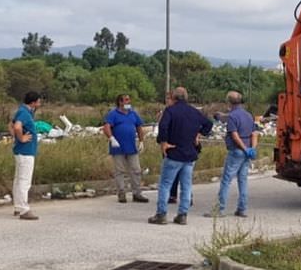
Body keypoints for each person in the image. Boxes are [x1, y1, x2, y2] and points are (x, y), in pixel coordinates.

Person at [149, 87, 212, 226]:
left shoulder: (170, 111)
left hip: (174, 152)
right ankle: (182, 215)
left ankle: (161, 214)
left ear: (174, 97)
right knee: (186, 186)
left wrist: (164, 142)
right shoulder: (194, 112)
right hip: (190, 154)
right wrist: (199, 134)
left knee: (165, 184)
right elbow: (209, 124)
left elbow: (163, 126)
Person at [205, 91, 258, 218]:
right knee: (243, 180)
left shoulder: (233, 117)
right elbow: (254, 133)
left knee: (226, 180)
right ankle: (242, 208)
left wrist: (244, 148)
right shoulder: (248, 115)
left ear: (228, 102)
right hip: (247, 152)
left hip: (236, 151)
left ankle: (219, 209)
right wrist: (252, 149)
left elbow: (234, 135)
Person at [103, 94, 149, 203]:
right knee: (119, 171)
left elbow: (139, 127)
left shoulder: (133, 113)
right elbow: (106, 127)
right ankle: (121, 193)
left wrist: (141, 141)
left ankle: (137, 193)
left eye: (129, 100)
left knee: (136, 170)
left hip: (132, 147)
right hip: (118, 147)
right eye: (126, 100)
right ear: (120, 102)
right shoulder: (113, 114)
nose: (129, 102)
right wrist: (111, 138)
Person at [11, 91, 42, 220]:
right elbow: (17, 127)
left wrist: (16, 137)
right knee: (24, 181)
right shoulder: (24, 112)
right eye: (39, 101)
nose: (40, 103)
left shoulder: (24, 111)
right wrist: (21, 138)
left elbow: (12, 124)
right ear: (33, 102)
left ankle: (18, 206)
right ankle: (24, 209)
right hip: (26, 151)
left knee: (18, 180)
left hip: (22, 151)